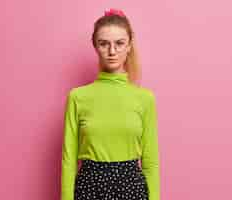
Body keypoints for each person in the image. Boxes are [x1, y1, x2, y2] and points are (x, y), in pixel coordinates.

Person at [61, 8, 160, 200]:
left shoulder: (145, 99)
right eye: (104, 43)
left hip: (132, 189)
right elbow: (68, 160)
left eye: (119, 43)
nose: (112, 51)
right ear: (95, 46)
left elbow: (151, 162)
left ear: (130, 45)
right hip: (89, 188)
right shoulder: (77, 97)